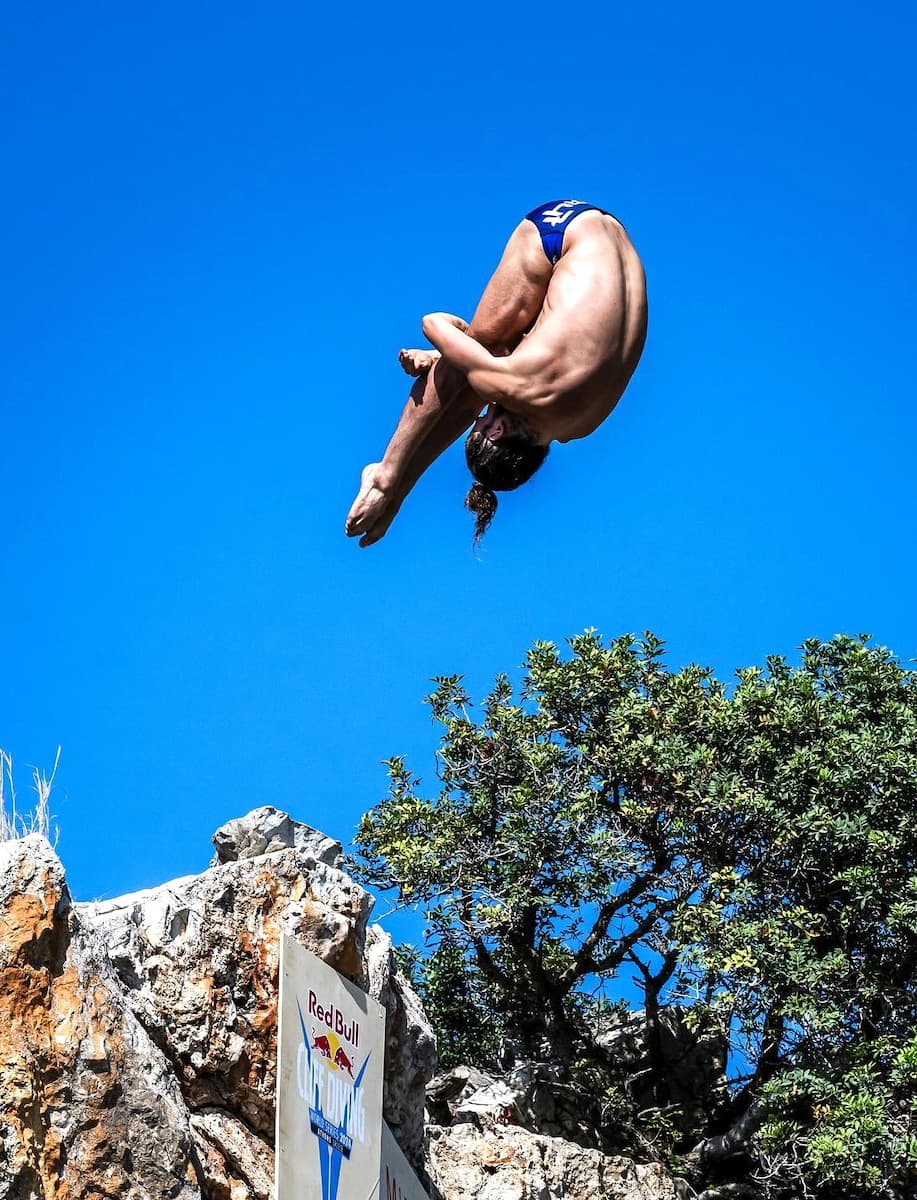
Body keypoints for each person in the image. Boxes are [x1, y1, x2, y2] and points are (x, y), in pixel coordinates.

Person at [345, 200, 648, 547]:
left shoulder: (578, 428)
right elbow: (433, 324)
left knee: (481, 368)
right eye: (482, 421)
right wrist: (460, 344)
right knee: (473, 373)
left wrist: (463, 355)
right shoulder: (518, 385)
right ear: (499, 431)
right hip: (563, 230)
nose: (482, 414)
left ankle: (394, 484)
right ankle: (385, 478)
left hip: (619, 244)